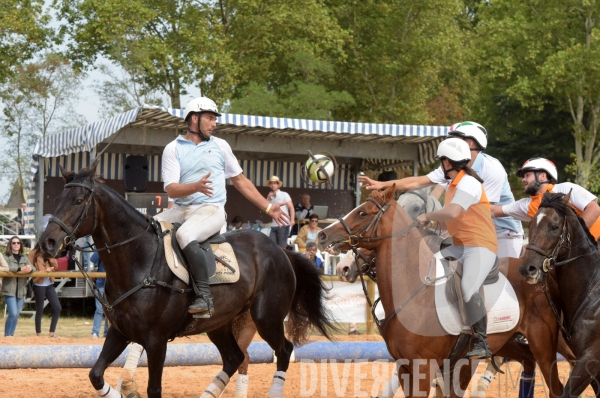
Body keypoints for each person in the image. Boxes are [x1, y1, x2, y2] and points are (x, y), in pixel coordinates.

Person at [154, 97, 289, 318]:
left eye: (215, 119)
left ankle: (204, 298)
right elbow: (171, 190)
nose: (214, 123)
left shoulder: (220, 145)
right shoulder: (172, 148)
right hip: (180, 209)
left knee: (185, 235)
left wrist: (268, 208)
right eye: (210, 118)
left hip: (211, 209)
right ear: (194, 119)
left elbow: (241, 181)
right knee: (148, 227)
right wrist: (194, 186)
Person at [360, 121, 524, 259]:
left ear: (470, 143)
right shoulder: (453, 165)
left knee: (501, 291)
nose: (450, 142)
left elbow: (486, 212)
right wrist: (381, 185)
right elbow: (418, 182)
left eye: (455, 138)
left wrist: (435, 220)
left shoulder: (492, 168)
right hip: (472, 235)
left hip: (504, 234)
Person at [491, 158, 600, 240]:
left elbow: (594, 209)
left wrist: (573, 235)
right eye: (523, 177)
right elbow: (493, 210)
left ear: (543, 176)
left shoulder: (566, 188)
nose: (523, 179)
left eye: (527, 175)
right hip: (573, 258)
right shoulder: (525, 205)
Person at [2, 236, 35, 337]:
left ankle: (11, 335)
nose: (16, 244)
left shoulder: (24, 257)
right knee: (12, 313)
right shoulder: (5, 256)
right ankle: (7, 335)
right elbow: (7, 267)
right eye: (13, 243)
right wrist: (21, 269)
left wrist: (30, 268)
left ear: (20, 245)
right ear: (10, 245)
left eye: (18, 243)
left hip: (21, 289)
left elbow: (33, 268)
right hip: (9, 289)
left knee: (16, 314)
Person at [29, 246, 61, 338]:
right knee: (40, 309)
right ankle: (38, 334)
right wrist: (44, 271)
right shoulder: (33, 253)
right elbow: (31, 269)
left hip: (49, 283)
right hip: (39, 284)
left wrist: (51, 259)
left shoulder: (50, 253)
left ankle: (52, 333)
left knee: (57, 308)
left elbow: (56, 267)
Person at [266, 175, 295, 249]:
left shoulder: (284, 194)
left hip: (284, 223)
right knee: (271, 245)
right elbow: (265, 208)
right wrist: (269, 198)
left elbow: (291, 207)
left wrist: (292, 220)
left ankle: (284, 260)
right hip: (274, 224)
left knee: (282, 247)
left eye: (275, 183)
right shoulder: (270, 196)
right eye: (271, 183)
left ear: (278, 185)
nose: (273, 185)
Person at [90, 251, 109, 338]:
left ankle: (107, 333)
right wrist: (100, 249)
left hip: (111, 285)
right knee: (99, 310)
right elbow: (93, 259)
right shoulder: (102, 251)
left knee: (109, 311)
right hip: (101, 284)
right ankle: (95, 332)